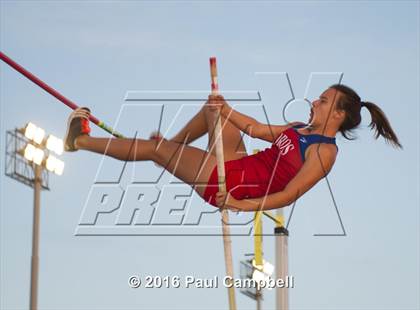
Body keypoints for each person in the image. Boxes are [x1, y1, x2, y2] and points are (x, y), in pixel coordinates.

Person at [64, 84, 401, 211]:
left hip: (229, 184)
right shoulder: (298, 128)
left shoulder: (324, 152)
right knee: (212, 109)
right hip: (238, 162)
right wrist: (225, 109)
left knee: (155, 151)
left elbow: (289, 195)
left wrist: (240, 205)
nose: (315, 100)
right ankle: (173, 149)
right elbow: (254, 129)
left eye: (324, 100)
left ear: (339, 114)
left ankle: (78, 141)